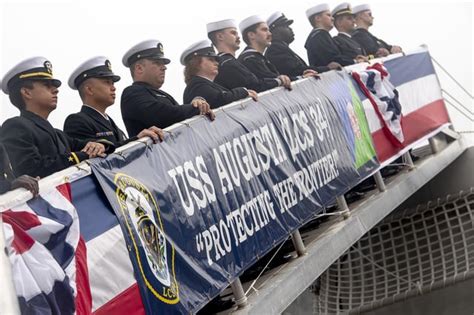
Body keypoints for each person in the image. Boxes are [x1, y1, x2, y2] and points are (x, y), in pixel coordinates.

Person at [0, 57, 110, 178]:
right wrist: (82, 155)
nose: (56, 90)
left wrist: (98, 145)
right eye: (47, 85)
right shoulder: (15, 126)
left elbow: (89, 144)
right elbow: (30, 168)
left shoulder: (58, 135)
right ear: (26, 92)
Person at [121, 39, 215, 137]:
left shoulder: (164, 95)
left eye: (163, 64)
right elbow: (164, 115)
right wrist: (195, 109)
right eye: (157, 63)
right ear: (139, 68)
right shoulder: (132, 93)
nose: (164, 67)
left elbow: (178, 114)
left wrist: (196, 103)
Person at [64, 56, 163, 146]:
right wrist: (136, 139)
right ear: (89, 89)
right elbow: (96, 157)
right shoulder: (77, 122)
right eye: (107, 82)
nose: (113, 88)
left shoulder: (111, 124)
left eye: (112, 83)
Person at [207, 19, 280, 92]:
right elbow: (254, 85)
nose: (238, 37)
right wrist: (278, 81)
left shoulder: (228, 61)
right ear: (220, 37)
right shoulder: (227, 63)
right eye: (233, 33)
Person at [181, 40, 258, 108]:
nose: (216, 63)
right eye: (211, 59)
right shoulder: (197, 85)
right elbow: (220, 100)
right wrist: (243, 91)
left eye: (216, 60)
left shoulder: (205, 84)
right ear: (195, 63)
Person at [265, 11, 333, 77]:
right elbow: (295, 70)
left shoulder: (282, 48)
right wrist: (327, 68)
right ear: (275, 31)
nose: (290, 29)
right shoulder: (275, 49)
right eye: (286, 26)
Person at [237, 15, 292, 89]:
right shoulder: (249, 59)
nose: (270, 34)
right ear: (251, 35)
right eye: (264, 30)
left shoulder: (257, 57)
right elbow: (270, 79)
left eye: (268, 30)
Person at [304, 4, 353, 68]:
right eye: (328, 15)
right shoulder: (319, 36)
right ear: (318, 18)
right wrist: (354, 61)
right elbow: (332, 58)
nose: (332, 19)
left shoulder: (321, 35)